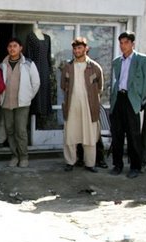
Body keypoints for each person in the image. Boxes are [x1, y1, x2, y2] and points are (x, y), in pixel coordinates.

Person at [109, 31, 146, 178]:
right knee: (117, 134)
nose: (123, 46)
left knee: (134, 135)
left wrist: (140, 99)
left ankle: (135, 166)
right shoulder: (117, 61)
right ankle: (117, 165)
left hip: (132, 100)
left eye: (126, 42)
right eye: (121, 43)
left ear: (133, 44)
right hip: (119, 99)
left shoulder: (143, 60)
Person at [61, 37, 104, 173]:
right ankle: (70, 162)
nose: (77, 51)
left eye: (79, 48)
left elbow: (100, 88)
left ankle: (90, 163)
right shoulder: (68, 66)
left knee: (89, 135)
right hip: (72, 104)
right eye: (75, 48)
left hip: (89, 106)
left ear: (86, 49)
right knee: (70, 134)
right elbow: (63, 85)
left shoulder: (95, 67)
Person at [0, 37, 40, 168]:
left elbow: (36, 83)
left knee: (20, 131)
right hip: (6, 103)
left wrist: (27, 97)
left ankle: (24, 157)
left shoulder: (28, 63)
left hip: (22, 103)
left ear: (20, 48)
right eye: (10, 46)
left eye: (15, 46)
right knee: (10, 131)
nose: (12, 48)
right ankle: (14, 156)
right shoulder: (3, 64)